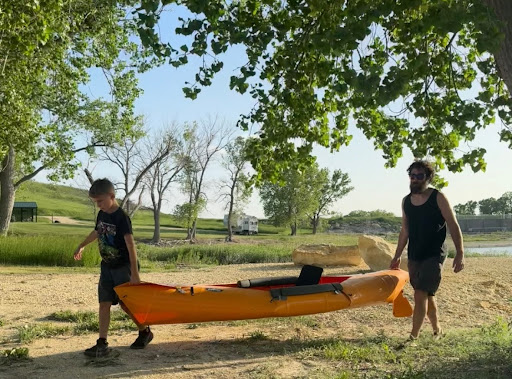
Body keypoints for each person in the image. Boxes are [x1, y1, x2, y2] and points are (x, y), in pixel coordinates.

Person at [73, 178, 153, 357]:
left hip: (123, 267)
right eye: (95, 202)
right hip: (107, 267)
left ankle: (144, 331)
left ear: (111, 196)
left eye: (100, 201)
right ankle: (102, 343)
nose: (98, 205)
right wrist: (82, 245)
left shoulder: (121, 217)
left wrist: (135, 274)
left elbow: (131, 245)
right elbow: (97, 231)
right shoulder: (102, 214)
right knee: (104, 303)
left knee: (126, 304)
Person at [390, 160, 465, 341]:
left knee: (420, 293)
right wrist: (397, 255)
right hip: (415, 254)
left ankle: (413, 336)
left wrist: (460, 253)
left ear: (428, 178)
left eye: (419, 176)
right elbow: (405, 230)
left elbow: (453, 225)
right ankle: (437, 330)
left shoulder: (438, 197)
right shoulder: (406, 201)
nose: (415, 179)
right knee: (427, 294)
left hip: (434, 253)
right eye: (412, 176)